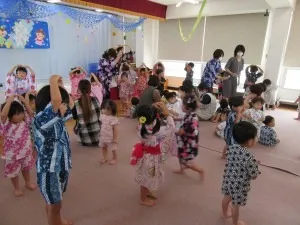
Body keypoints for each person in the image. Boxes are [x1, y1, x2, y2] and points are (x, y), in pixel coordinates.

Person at [34, 75, 73, 225]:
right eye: (59, 102)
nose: (64, 104)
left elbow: (70, 103)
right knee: (55, 205)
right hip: (49, 170)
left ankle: (57, 220)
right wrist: (52, 80)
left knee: (55, 203)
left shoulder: (58, 118)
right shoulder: (41, 119)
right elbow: (57, 103)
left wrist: (61, 86)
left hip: (61, 166)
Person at [130, 102, 175, 206]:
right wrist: (167, 114)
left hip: (146, 155)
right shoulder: (157, 130)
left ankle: (146, 193)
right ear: (154, 117)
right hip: (151, 158)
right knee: (146, 178)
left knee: (148, 175)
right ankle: (142, 198)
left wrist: (152, 110)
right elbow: (171, 127)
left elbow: (146, 119)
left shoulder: (141, 126)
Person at [221, 121, 261, 225]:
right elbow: (254, 176)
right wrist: (255, 164)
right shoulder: (249, 157)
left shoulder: (231, 147)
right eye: (256, 137)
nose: (257, 139)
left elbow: (235, 161)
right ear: (250, 141)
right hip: (239, 185)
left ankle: (224, 213)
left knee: (226, 197)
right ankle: (235, 223)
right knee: (235, 205)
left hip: (228, 179)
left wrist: (253, 163)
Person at [1, 94, 36, 197]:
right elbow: (3, 116)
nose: (20, 115)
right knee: (13, 172)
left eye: (21, 112)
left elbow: (31, 113)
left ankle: (28, 182)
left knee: (26, 169)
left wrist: (24, 101)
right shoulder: (6, 124)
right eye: (17, 113)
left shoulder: (24, 121)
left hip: (25, 152)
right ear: (10, 115)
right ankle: (16, 188)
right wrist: (9, 101)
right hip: (12, 155)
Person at [174, 94, 204, 178]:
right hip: (183, 142)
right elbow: (184, 119)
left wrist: (172, 130)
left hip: (189, 145)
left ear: (189, 108)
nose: (181, 105)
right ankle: (182, 170)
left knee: (189, 163)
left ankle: (201, 171)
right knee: (180, 156)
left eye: (183, 105)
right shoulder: (189, 114)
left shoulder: (193, 119)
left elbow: (181, 132)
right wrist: (175, 119)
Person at [72, 80, 101, 146]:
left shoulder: (76, 103)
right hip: (99, 136)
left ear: (79, 90)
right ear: (90, 90)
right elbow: (99, 115)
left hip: (84, 139)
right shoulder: (95, 99)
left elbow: (74, 118)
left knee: (76, 123)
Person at [100, 99, 119, 165]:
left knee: (113, 149)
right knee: (104, 148)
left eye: (107, 109)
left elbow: (115, 129)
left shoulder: (113, 119)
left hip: (111, 138)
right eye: (103, 108)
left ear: (112, 110)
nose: (104, 110)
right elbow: (102, 125)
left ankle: (114, 158)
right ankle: (105, 158)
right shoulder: (102, 116)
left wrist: (115, 138)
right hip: (103, 136)